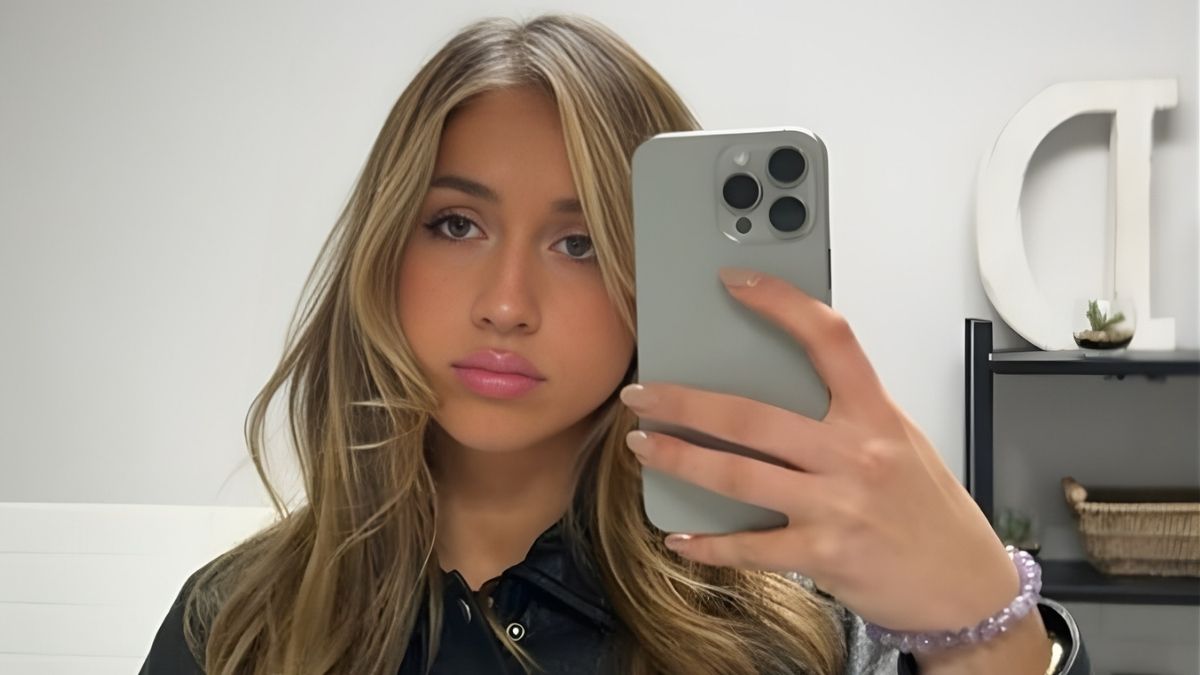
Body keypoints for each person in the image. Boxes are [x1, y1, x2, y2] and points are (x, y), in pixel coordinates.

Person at [139, 13, 1089, 675]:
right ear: (385, 246)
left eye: (580, 241)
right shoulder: (235, 627)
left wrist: (982, 626)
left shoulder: (801, 633)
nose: (506, 305)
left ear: (650, 279)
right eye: (457, 224)